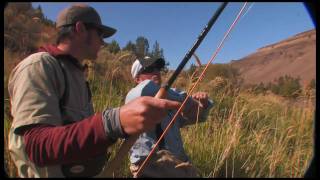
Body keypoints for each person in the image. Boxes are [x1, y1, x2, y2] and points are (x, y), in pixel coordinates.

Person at [7, 4, 180, 178]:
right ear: (80, 28)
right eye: (100, 34)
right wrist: (112, 123)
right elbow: (37, 147)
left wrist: (116, 127)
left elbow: (80, 136)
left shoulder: (79, 76)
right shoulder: (38, 66)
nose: (103, 42)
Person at [126, 56, 214, 177]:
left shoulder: (171, 97)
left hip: (176, 164)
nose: (156, 72)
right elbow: (148, 90)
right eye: (149, 68)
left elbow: (199, 117)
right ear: (137, 79)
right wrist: (185, 99)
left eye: (158, 68)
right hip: (150, 164)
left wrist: (203, 105)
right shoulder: (134, 96)